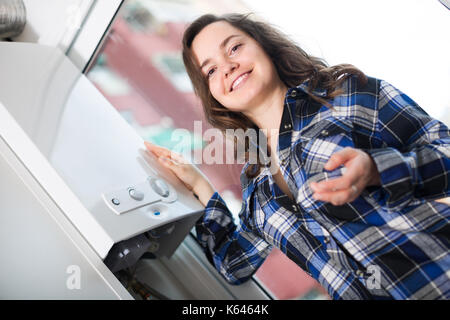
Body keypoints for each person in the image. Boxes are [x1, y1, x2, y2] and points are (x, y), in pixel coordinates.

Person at [144, 13, 450, 300]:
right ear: (212, 92)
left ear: (263, 45)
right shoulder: (256, 187)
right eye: (210, 70)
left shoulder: (347, 94)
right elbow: (233, 264)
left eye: (234, 48)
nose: (226, 67)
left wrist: (377, 170)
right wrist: (200, 186)